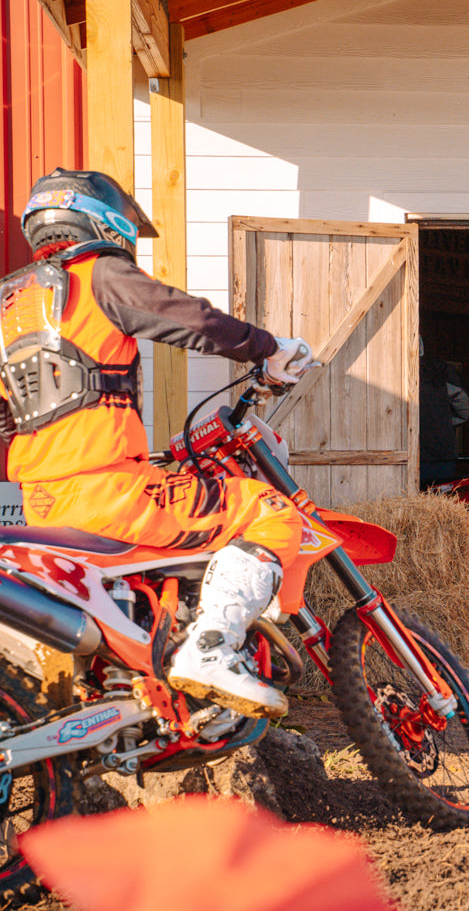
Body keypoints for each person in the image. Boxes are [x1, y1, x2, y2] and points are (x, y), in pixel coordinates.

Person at [0, 167, 314, 719]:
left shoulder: (11, 305)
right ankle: (212, 650)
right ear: (104, 220)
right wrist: (265, 347)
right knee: (269, 512)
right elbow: (185, 317)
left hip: (43, 503)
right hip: (111, 494)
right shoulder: (99, 275)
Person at [418, 343, 469, 490]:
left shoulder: (390, 372)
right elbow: (463, 408)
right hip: (441, 452)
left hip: (407, 454)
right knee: (441, 502)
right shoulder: (440, 370)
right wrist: (443, 421)